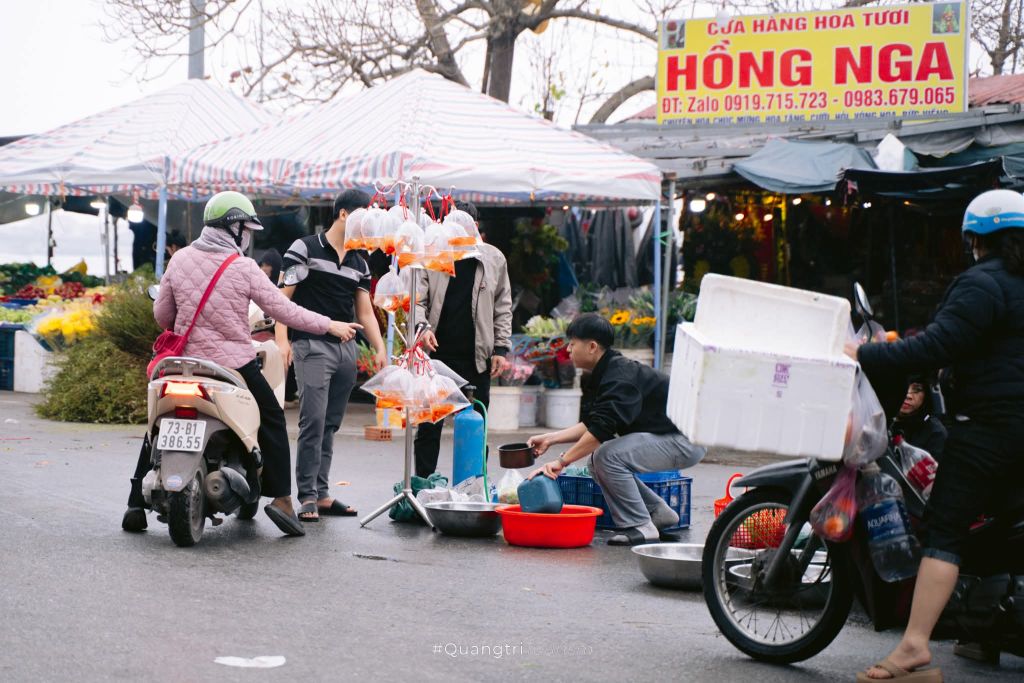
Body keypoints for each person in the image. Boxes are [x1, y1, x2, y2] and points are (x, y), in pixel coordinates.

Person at [850, 189, 1024, 681]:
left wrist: (862, 354)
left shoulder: (983, 282)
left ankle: (914, 649)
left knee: (946, 532)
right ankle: (983, 634)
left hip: (992, 426)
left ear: (977, 239)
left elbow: (938, 345)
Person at [122, 191, 357, 537]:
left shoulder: (181, 259)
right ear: (233, 229)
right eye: (246, 229)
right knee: (272, 417)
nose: (248, 237)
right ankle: (281, 499)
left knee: (158, 424)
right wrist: (329, 324)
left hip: (182, 362)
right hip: (231, 363)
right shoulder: (244, 268)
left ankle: (133, 505)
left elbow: (163, 316)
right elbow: (284, 311)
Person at [526, 314, 705, 546]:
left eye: (572, 344)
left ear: (591, 347)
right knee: (597, 461)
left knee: (607, 456)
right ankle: (658, 513)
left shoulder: (619, 376)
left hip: (685, 441)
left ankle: (640, 526)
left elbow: (601, 430)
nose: (568, 350)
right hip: (671, 437)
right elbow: (593, 422)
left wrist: (561, 462)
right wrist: (550, 438)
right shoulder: (605, 372)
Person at [276, 189, 387, 522]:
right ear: (343, 215)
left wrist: (380, 347)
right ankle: (306, 496)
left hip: (346, 350)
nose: (366, 227)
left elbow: (365, 312)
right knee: (313, 421)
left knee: (330, 424)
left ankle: (322, 494)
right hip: (311, 345)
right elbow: (283, 298)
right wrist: (282, 340)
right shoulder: (304, 248)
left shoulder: (359, 262)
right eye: (362, 218)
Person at [414, 200, 513, 479]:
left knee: (475, 426)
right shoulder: (432, 254)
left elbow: (502, 306)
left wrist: (501, 348)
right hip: (437, 355)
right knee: (429, 426)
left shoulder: (494, 258)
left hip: (477, 357)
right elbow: (417, 300)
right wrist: (423, 328)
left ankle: (474, 484)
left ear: (476, 227)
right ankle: (422, 483)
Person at [891, 376, 947, 462]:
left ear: (926, 395)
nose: (908, 395)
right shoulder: (879, 422)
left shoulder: (935, 433)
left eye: (916, 390)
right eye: (903, 387)